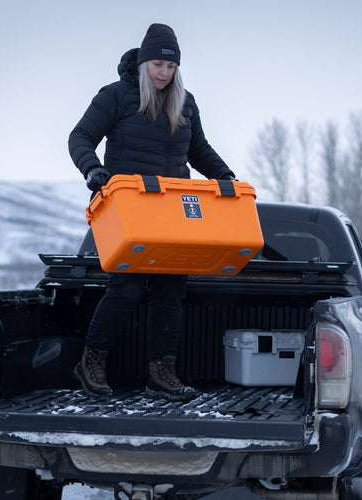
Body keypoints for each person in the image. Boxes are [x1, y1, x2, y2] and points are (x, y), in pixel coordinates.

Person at [68, 23, 236, 401]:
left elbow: (198, 149)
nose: (164, 73)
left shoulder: (185, 102)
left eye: (171, 67)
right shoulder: (116, 96)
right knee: (125, 289)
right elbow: (79, 137)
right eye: (158, 64)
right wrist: (93, 171)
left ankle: (162, 373)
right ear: (144, 62)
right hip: (129, 210)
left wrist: (224, 176)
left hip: (173, 211)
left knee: (170, 292)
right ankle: (91, 362)